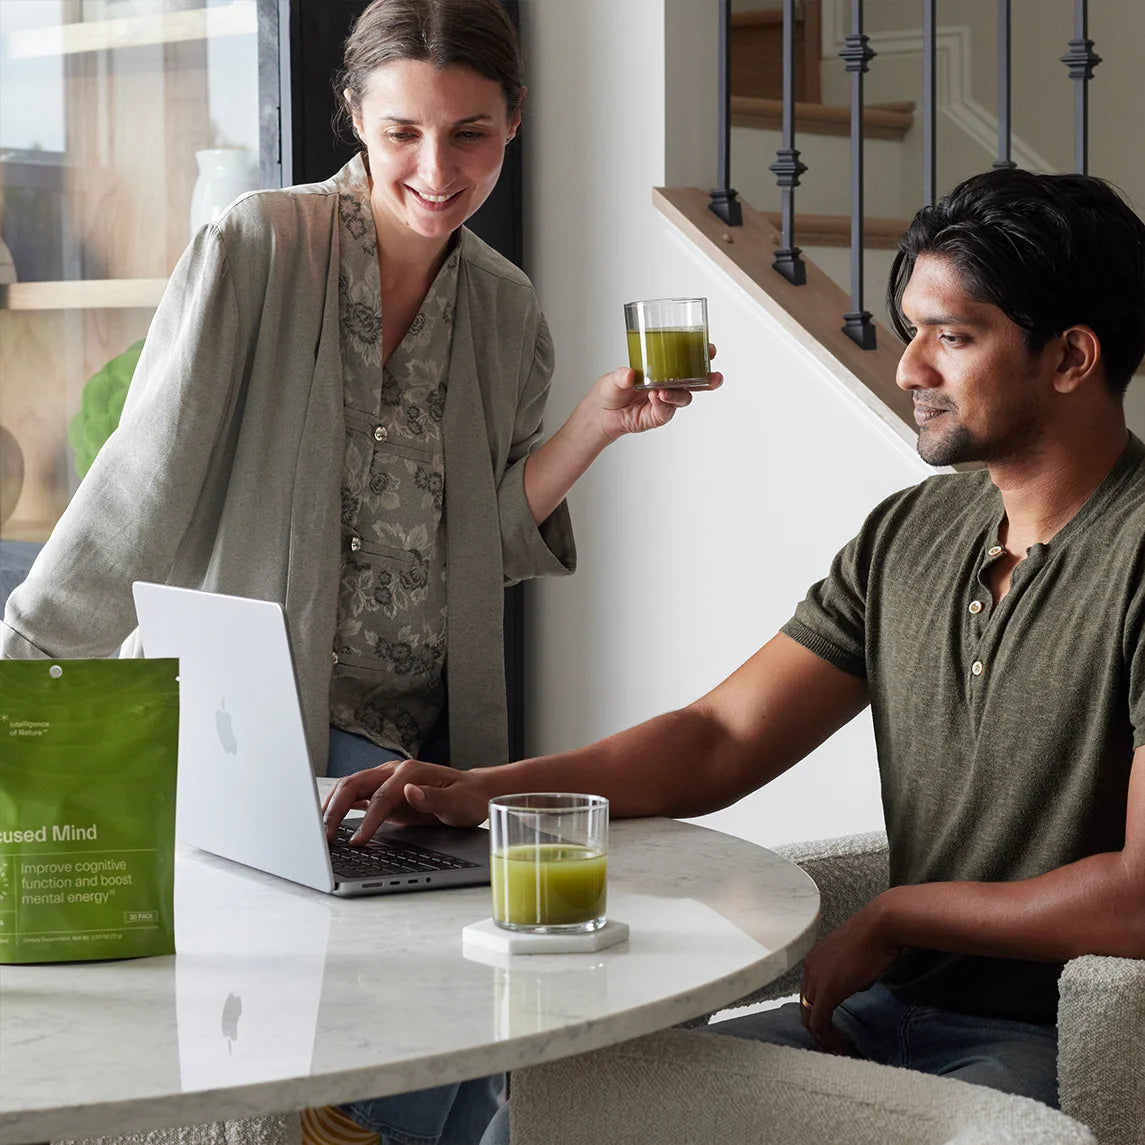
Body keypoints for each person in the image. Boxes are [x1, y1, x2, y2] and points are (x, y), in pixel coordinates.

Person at [0, 1, 720, 1142]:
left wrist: (590, 426)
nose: (437, 169)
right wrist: (25, 666)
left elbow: (473, 540)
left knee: (488, 1004)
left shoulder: (504, 307)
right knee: (460, 1014)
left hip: (408, 741)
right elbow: (143, 484)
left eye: (471, 134)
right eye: (403, 134)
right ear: (354, 117)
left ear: (514, 121)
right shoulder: (256, 246)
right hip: (249, 725)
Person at [323, 165, 1145, 1142]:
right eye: (911, 328)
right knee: (562, 1105)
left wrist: (894, 915)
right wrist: (480, 789)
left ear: (1069, 357)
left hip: (1048, 1036)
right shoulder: (908, 535)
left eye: (951, 336)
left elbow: (1134, 898)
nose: (907, 368)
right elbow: (718, 735)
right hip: (871, 1016)